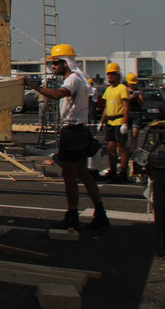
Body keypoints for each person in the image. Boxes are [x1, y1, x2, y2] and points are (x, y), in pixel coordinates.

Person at [24, 44, 108, 230]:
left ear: (65, 62)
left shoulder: (72, 80)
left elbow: (57, 95)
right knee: (83, 173)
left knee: (69, 175)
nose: (53, 67)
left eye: (55, 63)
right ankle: (100, 213)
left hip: (73, 131)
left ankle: (72, 215)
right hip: (78, 131)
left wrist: (32, 85)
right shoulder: (77, 78)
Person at [99, 62, 130, 182]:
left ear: (118, 75)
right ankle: (112, 171)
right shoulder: (108, 90)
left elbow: (126, 106)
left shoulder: (122, 88)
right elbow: (107, 107)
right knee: (111, 147)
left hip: (119, 120)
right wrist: (101, 121)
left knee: (121, 147)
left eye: (112, 74)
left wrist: (125, 123)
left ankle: (123, 172)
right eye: (108, 74)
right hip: (110, 122)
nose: (110, 76)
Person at [126, 73, 144, 155]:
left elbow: (141, 103)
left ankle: (132, 151)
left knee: (135, 133)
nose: (132, 85)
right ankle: (124, 150)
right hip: (127, 113)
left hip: (136, 113)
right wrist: (129, 98)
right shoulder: (125, 90)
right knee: (124, 133)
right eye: (131, 83)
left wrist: (137, 97)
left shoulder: (138, 91)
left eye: (133, 84)